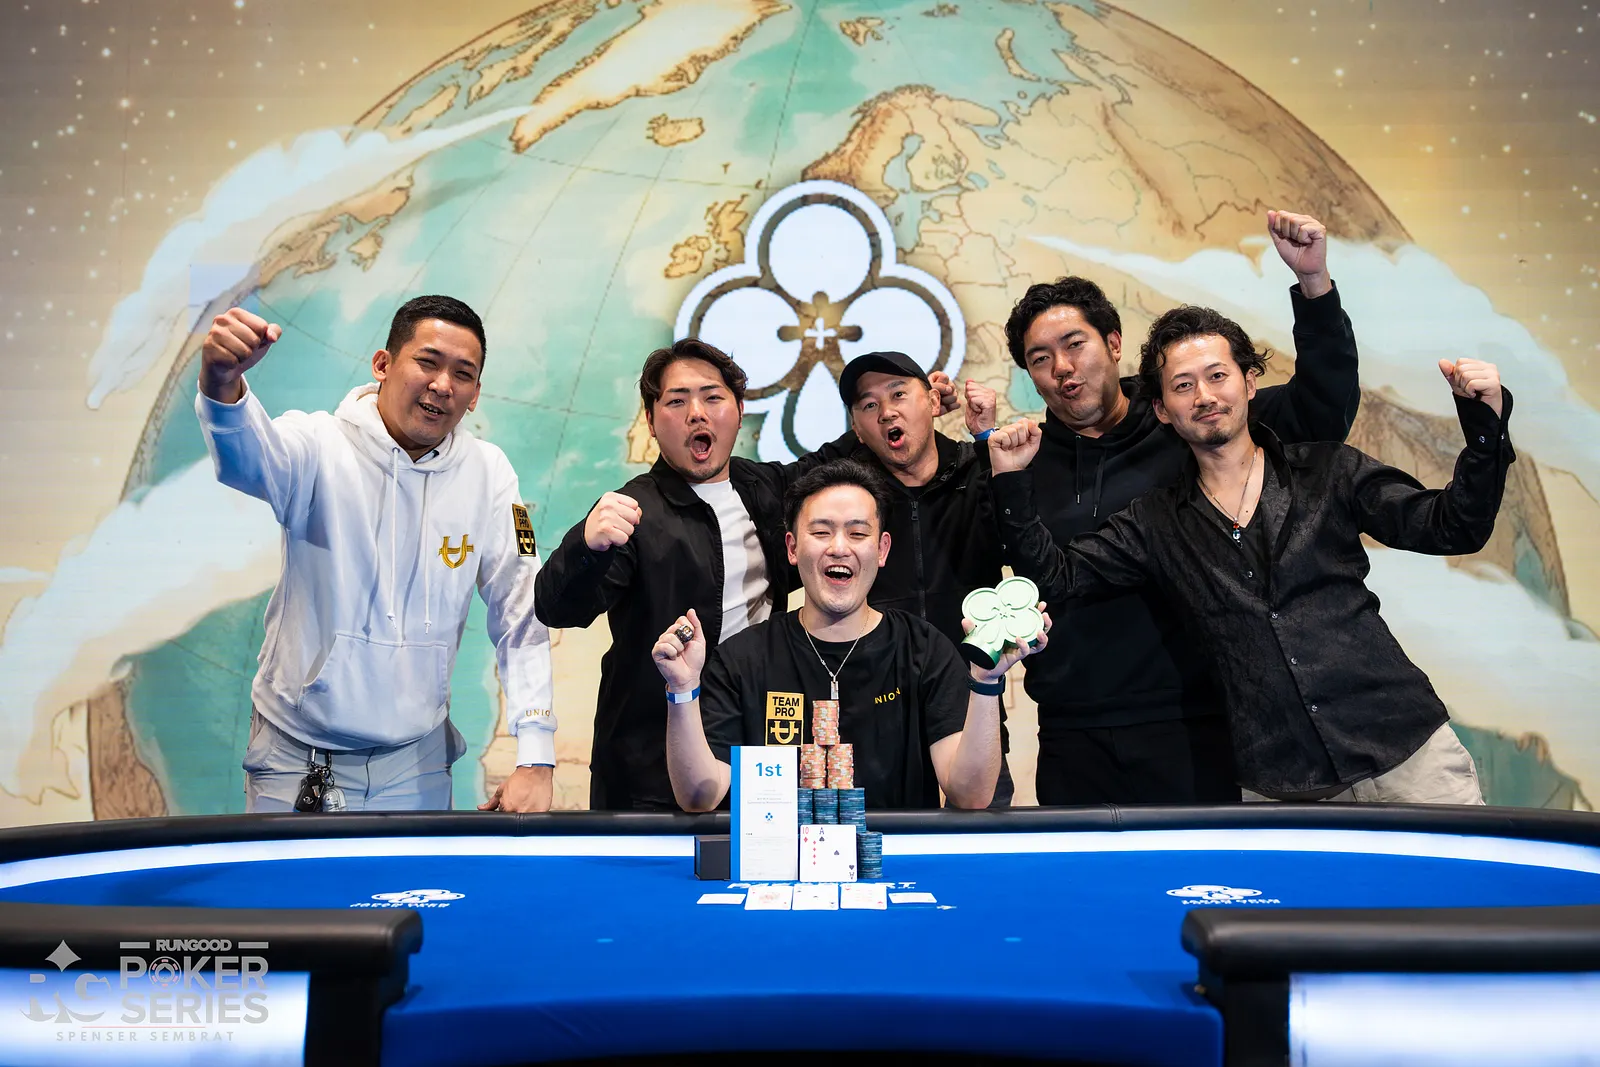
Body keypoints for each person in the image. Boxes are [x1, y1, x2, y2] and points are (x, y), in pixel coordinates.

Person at [987, 304, 1511, 803]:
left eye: (1217, 376)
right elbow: (1056, 577)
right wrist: (1011, 480)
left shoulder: (1329, 471)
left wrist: (1485, 426)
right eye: (1183, 385)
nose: (1204, 396)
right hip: (1281, 783)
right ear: (1163, 410)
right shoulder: (1155, 521)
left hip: (1406, 752)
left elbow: (1452, 528)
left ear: (1249, 383)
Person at [1003, 210, 1361, 805]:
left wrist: (1314, 287)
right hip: (1071, 732)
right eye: (1040, 359)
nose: (1062, 368)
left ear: (1114, 343)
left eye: (1075, 344)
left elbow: (1321, 408)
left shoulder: (1188, 420)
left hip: (1197, 722)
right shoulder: (1019, 465)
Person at [195, 297, 556, 812]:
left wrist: (536, 755)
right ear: (383, 364)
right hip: (298, 759)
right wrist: (221, 380)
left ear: (475, 395)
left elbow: (521, 610)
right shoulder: (318, 444)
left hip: (419, 763)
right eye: (427, 362)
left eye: (463, 374)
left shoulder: (489, 473)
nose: (443, 385)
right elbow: (246, 460)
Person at [536, 339, 866, 810]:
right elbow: (557, 608)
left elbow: (849, 452)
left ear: (739, 410)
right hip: (649, 770)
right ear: (651, 421)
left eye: (712, 397)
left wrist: (914, 400)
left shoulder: (767, 488)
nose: (697, 413)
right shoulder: (632, 512)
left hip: (754, 756)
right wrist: (586, 545)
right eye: (676, 401)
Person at [650, 459, 1049, 811]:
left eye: (857, 533)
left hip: (895, 864)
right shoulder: (742, 659)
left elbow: (970, 795)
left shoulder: (924, 650)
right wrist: (682, 691)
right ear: (792, 547)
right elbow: (699, 796)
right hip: (781, 864)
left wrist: (985, 682)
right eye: (821, 532)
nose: (839, 548)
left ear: (882, 549)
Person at [835, 351, 1024, 803]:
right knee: (872, 836)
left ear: (934, 402)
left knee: (983, 828)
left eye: (899, 394)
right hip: (876, 706)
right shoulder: (855, 496)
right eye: (869, 406)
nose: (887, 413)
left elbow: (1022, 536)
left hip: (972, 695)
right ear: (856, 429)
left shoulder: (977, 468)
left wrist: (987, 440)